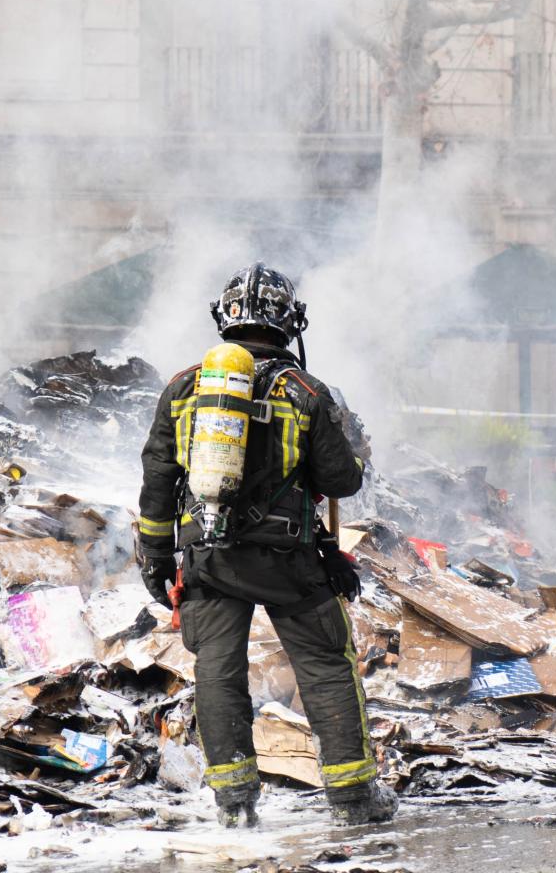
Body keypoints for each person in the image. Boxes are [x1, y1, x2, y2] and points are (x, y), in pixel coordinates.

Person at [136, 263, 395, 828]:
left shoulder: (184, 388)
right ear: (289, 322)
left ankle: (234, 806)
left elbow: (158, 479)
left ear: (224, 318)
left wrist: (154, 558)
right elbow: (340, 481)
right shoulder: (306, 392)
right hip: (288, 561)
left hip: (208, 558)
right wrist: (353, 452)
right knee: (325, 664)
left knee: (217, 673)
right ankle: (353, 799)